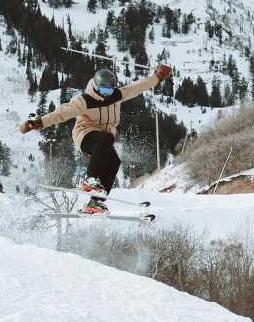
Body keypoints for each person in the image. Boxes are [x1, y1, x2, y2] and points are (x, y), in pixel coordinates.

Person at [19, 64, 173, 214]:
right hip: (85, 135)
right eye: (103, 90)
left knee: (114, 161)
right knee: (105, 138)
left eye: (109, 90)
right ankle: (90, 179)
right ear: (96, 86)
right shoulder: (85, 100)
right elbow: (62, 113)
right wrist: (38, 123)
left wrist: (158, 76)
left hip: (104, 141)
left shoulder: (117, 95)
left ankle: (96, 202)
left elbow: (137, 87)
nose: (106, 94)